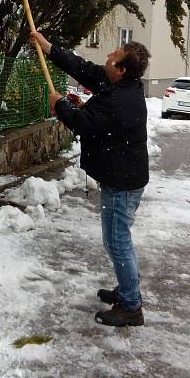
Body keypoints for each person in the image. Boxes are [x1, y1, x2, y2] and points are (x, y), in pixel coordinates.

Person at [31, 30, 151, 327]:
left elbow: (84, 124)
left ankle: (132, 306)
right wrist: (50, 48)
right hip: (124, 178)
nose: (109, 56)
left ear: (121, 70)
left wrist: (61, 105)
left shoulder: (120, 101)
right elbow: (84, 69)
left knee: (117, 241)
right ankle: (126, 291)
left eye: (115, 56)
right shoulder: (120, 85)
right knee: (117, 240)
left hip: (122, 183)